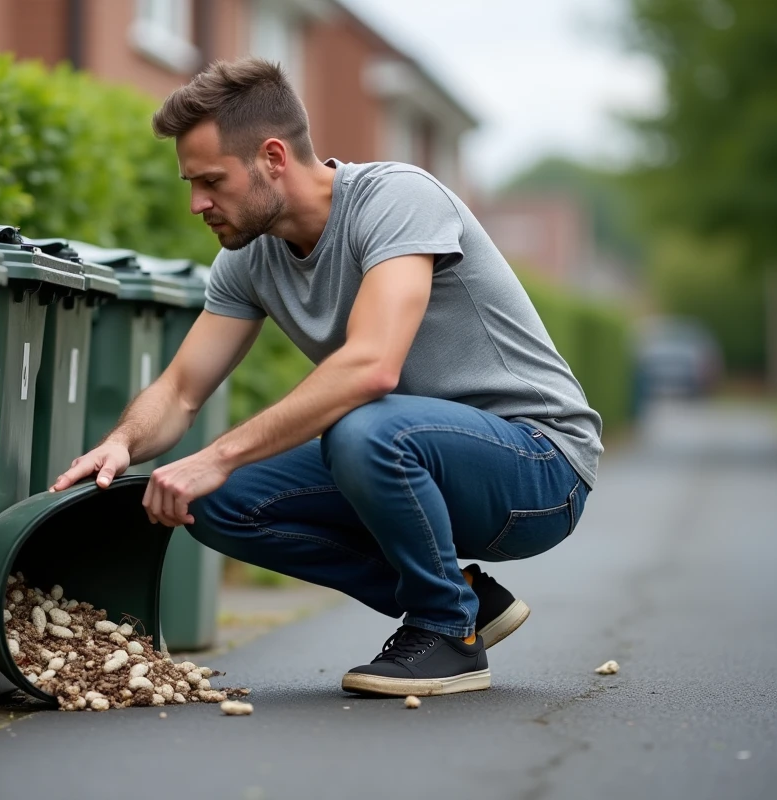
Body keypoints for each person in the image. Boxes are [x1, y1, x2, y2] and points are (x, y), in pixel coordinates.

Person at [51, 57, 601, 698]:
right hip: (413, 456)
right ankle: (465, 600)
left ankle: (446, 632)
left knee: (362, 427)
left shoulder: (397, 199)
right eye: (191, 184)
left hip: (538, 468)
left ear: (273, 157)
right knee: (211, 500)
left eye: (210, 181)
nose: (197, 202)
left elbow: (372, 366)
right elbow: (179, 390)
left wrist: (219, 454)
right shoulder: (248, 259)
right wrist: (122, 442)